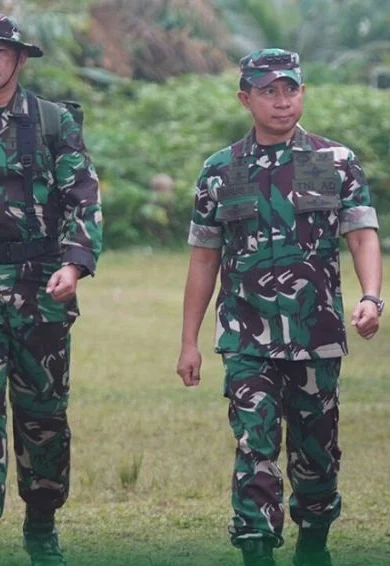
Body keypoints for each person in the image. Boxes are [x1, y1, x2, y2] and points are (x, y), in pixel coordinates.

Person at [176, 48, 383, 566]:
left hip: (317, 336)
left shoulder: (336, 162)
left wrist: (371, 296)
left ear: (303, 92)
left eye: (290, 89)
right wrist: (188, 342)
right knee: (255, 443)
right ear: (245, 98)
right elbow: (204, 260)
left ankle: (313, 542)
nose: (282, 101)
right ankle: (256, 549)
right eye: (268, 91)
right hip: (247, 336)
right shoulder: (220, 170)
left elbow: (361, 235)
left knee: (316, 454)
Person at [0, 15, 103, 566]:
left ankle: (41, 527)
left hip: (40, 286)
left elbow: (84, 196)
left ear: (18, 59)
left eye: (1, 51)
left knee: (43, 416)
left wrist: (76, 262)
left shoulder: (51, 121)